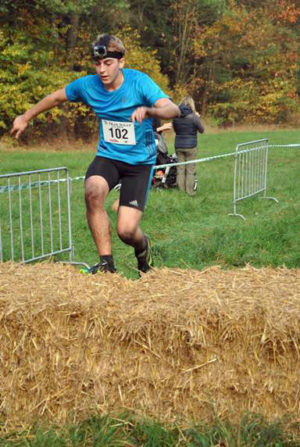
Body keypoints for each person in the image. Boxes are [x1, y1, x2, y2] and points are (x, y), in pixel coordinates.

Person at [10, 34, 180, 274]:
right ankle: (106, 265)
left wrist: (151, 110)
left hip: (139, 163)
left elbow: (172, 108)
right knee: (93, 191)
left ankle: (143, 250)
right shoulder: (88, 85)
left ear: (121, 62)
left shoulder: (139, 82)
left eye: (108, 63)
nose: (101, 69)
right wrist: (25, 117)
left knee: (127, 231)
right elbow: (56, 97)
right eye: (97, 64)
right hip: (109, 156)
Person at [172, 96, 204, 196]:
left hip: (178, 145)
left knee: (180, 169)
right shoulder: (194, 117)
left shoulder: (175, 116)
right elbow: (201, 130)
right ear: (192, 104)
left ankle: (181, 192)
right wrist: (198, 118)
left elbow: (175, 129)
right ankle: (190, 192)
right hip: (191, 146)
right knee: (190, 170)